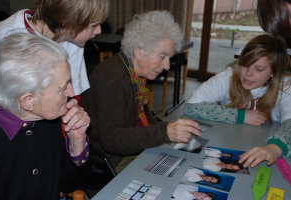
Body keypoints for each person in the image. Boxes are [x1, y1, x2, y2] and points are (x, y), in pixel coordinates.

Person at [82, 10, 202, 173]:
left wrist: (166, 130)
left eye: (169, 58)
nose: (167, 65)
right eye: (162, 56)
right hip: (110, 162)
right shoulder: (113, 77)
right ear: (139, 50)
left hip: (128, 152)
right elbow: (111, 139)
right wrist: (165, 132)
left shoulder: (134, 72)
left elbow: (143, 118)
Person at [0, 32, 91, 199]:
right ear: (28, 101)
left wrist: (77, 141)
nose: (71, 92)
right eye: (63, 87)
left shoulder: (47, 121)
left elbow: (69, 186)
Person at [184, 34, 291, 168]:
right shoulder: (228, 76)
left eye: (258, 69)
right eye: (245, 65)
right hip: (229, 143)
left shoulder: (286, 86)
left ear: (274, 72)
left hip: (266, 147)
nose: (248, 73)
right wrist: (240, 115)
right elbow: (191, 106)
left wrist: (275, 148)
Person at [0, 0, 109, 105]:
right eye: (94, 25)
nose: (99, 31)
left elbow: (73, 92)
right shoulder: (4, 36)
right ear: (67, 24)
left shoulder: (73, 40)